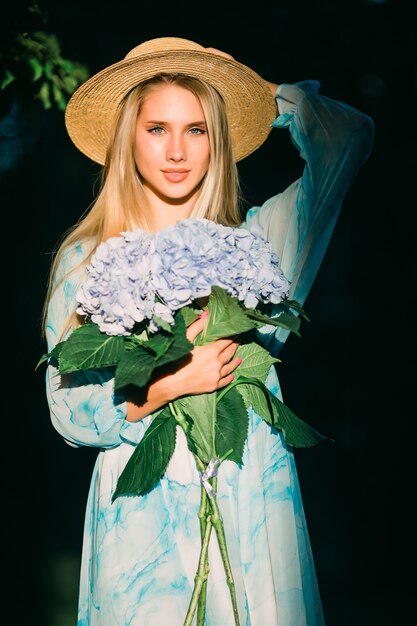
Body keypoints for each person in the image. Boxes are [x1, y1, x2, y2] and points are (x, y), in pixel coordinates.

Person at [42, 36, 374, 626]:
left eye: (197, 129)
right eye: (156, 129)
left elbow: (347, 137)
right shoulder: (87, 258)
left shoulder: (261, 245)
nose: (176, 151)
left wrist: (260, 97)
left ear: (217, 142)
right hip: (146, 514)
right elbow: (70, 414)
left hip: (251, 497)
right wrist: (168, 384)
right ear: (128, 139)